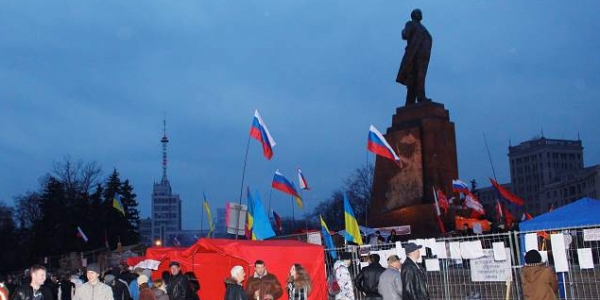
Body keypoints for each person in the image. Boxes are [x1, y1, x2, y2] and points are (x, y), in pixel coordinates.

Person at [396, 8, 433, 106]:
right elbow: (405, 34)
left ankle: (410, 101)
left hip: (423, 56)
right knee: (416, 76)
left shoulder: (423, 28)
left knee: (418, 76)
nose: (420, 14)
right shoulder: (411, 24)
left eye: (420, 13)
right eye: (417, 13)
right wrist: (404, 32)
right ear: (413, 15)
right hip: (414, 55)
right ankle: (419, 97)